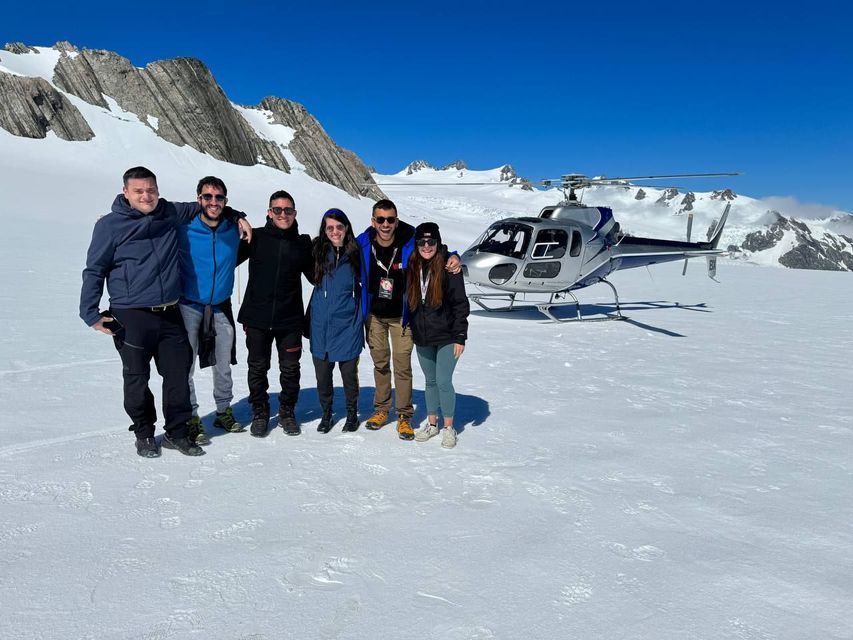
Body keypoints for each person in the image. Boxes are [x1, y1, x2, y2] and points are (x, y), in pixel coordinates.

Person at [80, 166, 250, 458]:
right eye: (139, 190)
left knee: (177, 375)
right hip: (130, 313)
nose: (146, 196)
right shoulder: (109, 225)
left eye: (151, 190)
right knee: (136, 377)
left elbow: (210, 206)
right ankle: (144, 433)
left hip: (170, 311)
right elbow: (95, 269)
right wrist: (90, 313)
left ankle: (177, 432)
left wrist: (237, 216)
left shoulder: (168, 212)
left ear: (158, 191)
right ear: (126, 192)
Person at [356, 199, 460, 440]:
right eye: (380, 219)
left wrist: (454, 256)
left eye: (390, 219)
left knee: (402, 366)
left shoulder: (410, 240)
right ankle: (381, 409)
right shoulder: (363, 242)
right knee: (380, 363)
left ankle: (404, 416)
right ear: (373, 221)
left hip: (401, 318)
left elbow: (435, 248)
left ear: (397, 220)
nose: (385, 224)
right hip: (374, 316)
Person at [237, 190, 313, 438]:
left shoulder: (302, 244)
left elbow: (317, 276)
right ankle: (260, 412)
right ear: (269, 212)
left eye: (288, 210)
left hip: (289, 319)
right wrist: (234, 217)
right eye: (277, 210)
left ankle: (287, 412)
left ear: (294, 213)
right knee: (257, 367)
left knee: (290, 369)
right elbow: (225, 258)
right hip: (257, 318)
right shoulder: (255, 237)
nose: (283, 214)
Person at [177, 176, 245, 446]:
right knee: (185, 366)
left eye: (219, 198)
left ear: (225, 202)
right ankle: (191, 416)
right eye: (208, 197)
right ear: (199, 199)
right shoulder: (184, 227)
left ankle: (223, 411)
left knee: (223, 363)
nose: (213, 202)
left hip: (220, 306)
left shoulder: (233, 229)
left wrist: (239, 217)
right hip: (188, 305)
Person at [406, 223, 469, 449]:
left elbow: (460, 304)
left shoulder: (449, 268)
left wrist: (461, 336)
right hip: (423, 336)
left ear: (438, 243)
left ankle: (448, 427)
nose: (426, 246)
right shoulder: (412, 265)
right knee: (430, 382)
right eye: (421, 242)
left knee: (443, 381)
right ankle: (432, 424)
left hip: (447, 336)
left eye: (431, 242)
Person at [307, 208, 364, 433]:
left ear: (346, 228)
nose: (335, 232)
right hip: (321, 324)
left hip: (348, 324)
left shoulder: (357, 253)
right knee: (323, 376)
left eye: (339, 227)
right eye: (329, 227)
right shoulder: (316, 251)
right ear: (324, 229)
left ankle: (352, 413)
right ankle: (327, 413)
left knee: (349, 375)